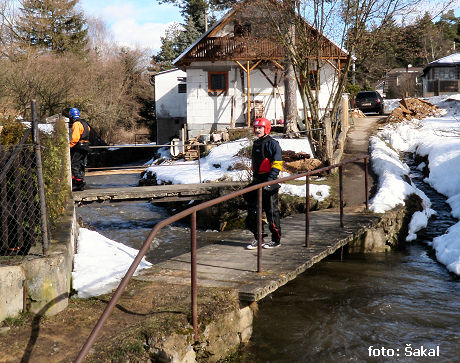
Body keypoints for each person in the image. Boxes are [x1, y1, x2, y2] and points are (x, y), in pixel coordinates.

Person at [245, 117, 283, 249]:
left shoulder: (273, 144)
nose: (257, 130)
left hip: (269, 181)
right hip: (257, 181)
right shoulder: (256, 144)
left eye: (260, 128)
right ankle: (259, 237)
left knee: (271, 212)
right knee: (252, 211)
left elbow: (277, 163)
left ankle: (276, 239)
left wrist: (270, 181)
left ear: (266, 128)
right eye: (255, 128)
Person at [69, 108, 90, 191]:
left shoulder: (76, 124)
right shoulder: (85, 123)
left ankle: (79, 183)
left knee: (74, 164)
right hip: (86, 146)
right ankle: (80, 181)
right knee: (82, 165)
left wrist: (70, 146)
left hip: (79, 147)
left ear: (71, 115)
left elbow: (75, 138)